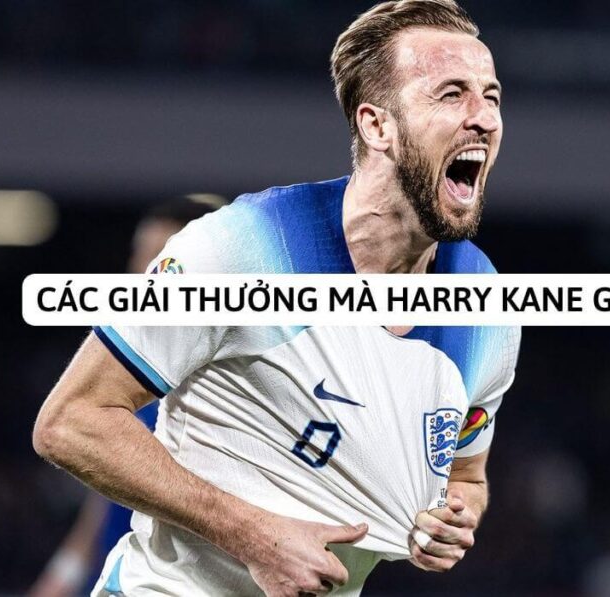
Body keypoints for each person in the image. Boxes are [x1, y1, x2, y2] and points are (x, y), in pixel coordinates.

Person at [32, 1, 521, 595]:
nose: (484, 119)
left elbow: (467, 475)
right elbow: (70, 422)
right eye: (451, 95)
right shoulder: (240, 248)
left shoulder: (486, 309)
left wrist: (457, 516)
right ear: (377, 126)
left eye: (491, 97)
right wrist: (253, 535)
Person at [29, 196, 224, 597]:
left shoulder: (227, 390)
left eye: (162, 261)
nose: (144, 274)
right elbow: (105, 503)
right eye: (140, 256)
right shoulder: (126, 380)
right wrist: (59, 579)